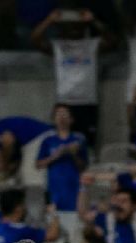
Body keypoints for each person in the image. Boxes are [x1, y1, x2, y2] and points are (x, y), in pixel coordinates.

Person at [30, 9, 113, 147]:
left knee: (87, 146)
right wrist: (49, 21)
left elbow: (112, 40)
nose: (74, 28)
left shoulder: (92, 44)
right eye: (69, 25)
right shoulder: (57, 46)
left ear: (84, 27)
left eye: (77, 24)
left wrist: (94, 21)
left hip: (87, 102)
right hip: (64, 103)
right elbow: (34, 39)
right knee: (61, 144)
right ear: (62, 27)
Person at [35, 104, 89, 234]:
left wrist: (73, 154)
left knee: (73, 231)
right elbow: (38, 164)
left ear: (71, 119)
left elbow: (83, 166)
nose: (62, 118)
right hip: (54, 192)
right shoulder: (48, 140)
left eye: (65, 114)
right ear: (54, 119)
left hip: (73, 192)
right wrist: (56, 155)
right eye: (59, 114)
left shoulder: (78, 140)